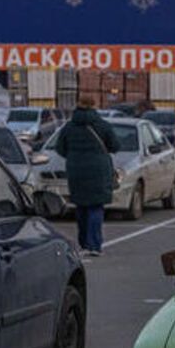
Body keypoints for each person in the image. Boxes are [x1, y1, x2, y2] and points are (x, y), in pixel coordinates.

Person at [54, 99, 118, 257]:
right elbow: (115, 146)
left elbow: (59, 148)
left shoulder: (69, 127)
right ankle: (95, 245)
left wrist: (74, 157)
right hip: (99, 171)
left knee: (81, 207)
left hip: (76, 171)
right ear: (93, 106)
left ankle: (83, 243)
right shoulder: (102, 125)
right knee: (96, 207)